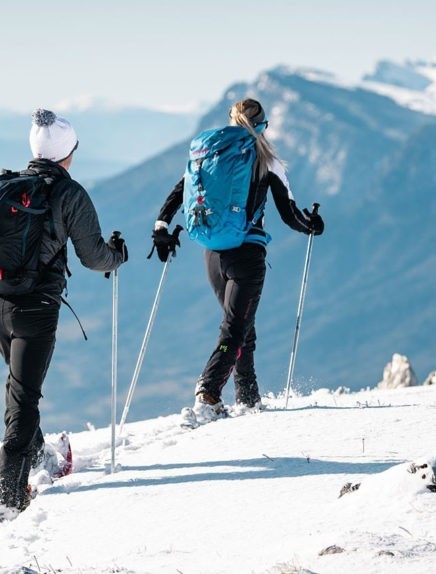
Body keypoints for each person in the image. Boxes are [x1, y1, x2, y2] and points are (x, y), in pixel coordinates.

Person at [151, 98, 324, 421]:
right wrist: (312, 226)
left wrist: (161, 227)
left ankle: (248, 398)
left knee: (242, 327)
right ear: (261, 126)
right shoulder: (266, 161)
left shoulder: (209, 153)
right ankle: (209, 390)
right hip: (246, 254)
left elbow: (180, 190)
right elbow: (290, 215)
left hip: (212, 255)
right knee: (235, 329)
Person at [0, 109, 127, 515]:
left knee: (19, 387)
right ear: (68, 153)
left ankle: (38, 460)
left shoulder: (6, 187)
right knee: (24, 398)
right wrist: (117, 256)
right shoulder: (69, 194)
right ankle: (10, 495)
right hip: (36, 307)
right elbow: (94, 257)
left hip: (0, 301)